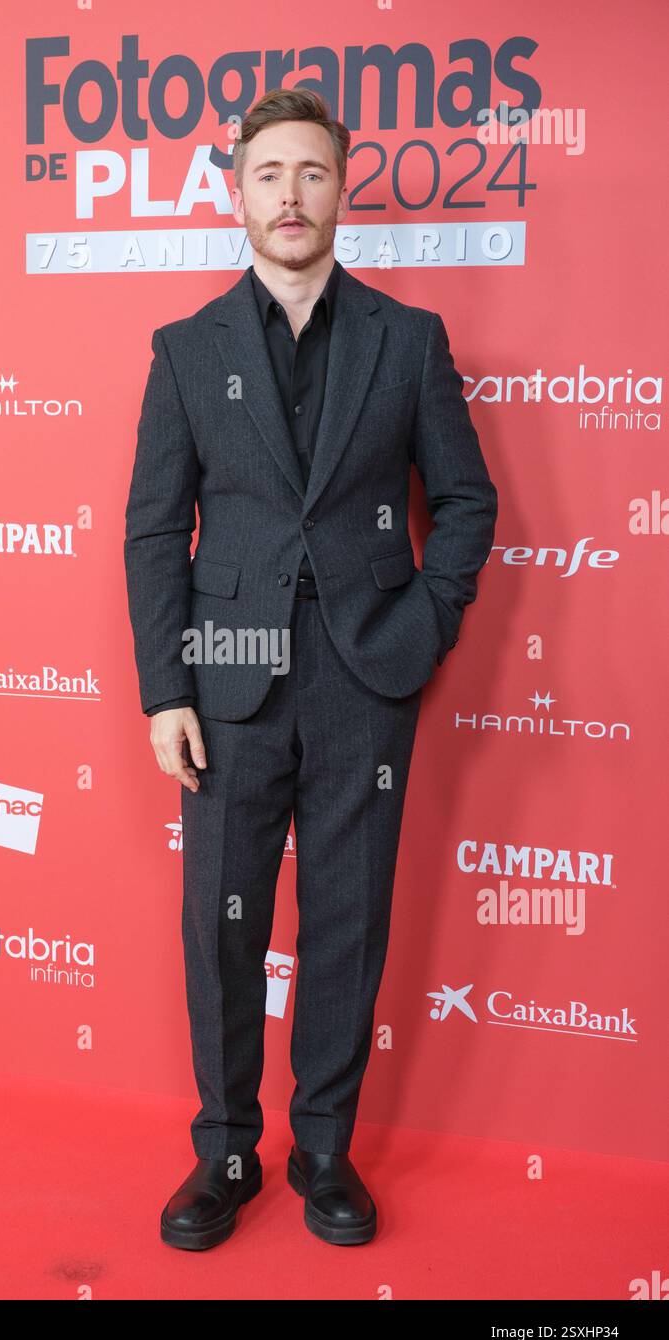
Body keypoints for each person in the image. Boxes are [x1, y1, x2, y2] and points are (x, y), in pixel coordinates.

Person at [124, 86, 498, 1249]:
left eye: (312, 173)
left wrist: (421, 623)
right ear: (235, 195)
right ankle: (226, 1153)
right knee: (222, 927)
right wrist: (166, 689)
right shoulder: (186, 351)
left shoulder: (407, 338)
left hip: (360, 676)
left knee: (345, 918)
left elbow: (468, 502)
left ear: (342, 189)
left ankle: (323, 1150)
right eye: (268, 175)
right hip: (227, 675)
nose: (291, 195)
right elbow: (152, 530)